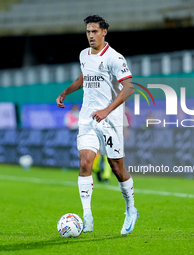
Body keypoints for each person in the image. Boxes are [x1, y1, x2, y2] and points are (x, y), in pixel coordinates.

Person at [56, 15, 138, 236]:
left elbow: (129, 88)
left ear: (104, 32)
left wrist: (106, 111)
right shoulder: (84, 54)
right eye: (87, 32)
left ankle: (131, 210)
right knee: (85, 164)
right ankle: (87, 215)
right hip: (87, 119)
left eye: (94, 32)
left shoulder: (114, 58)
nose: (90, 36)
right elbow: (85, 76)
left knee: (116, 168)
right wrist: (66, 91)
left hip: (110, 120)